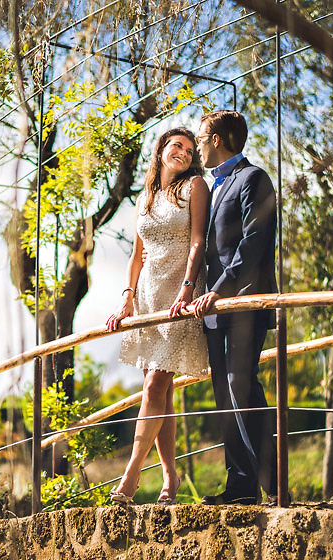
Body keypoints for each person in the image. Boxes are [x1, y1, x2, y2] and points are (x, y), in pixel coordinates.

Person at [105, 127, 210, 506]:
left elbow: (199, 241)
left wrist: (187, 286)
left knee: (153, 387)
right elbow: (137, 255)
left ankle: (131, 477)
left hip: (178, 298)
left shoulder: (195, 187)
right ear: (161, 149)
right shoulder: (145, 196)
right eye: (175, 145)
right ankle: (170, 477)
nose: (182, 152)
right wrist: (126, 299)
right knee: (160, 393)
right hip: (148, 298)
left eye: (188, 148)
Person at [189, 110, 278, 505]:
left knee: (242, 386)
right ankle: (241, 486)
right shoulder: (213, 187)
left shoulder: (254, 178)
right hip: (213, 312)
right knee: (224, 395)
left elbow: (253, 245)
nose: (197, 146)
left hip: (241, 304)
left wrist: (220, 291)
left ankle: (275, 482)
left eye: (201, 138)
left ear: (219, 139)